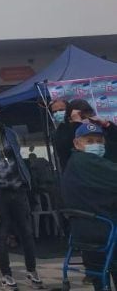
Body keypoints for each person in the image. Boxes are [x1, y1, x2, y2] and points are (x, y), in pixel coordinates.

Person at [0, 99, 44, 289]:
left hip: (17, 188)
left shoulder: (9, 133)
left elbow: (18, 157)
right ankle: (6, 275)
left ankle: (32, 271)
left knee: (26, 232)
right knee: (0, 234)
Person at [61, 123, 117, 291]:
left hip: (85, 229)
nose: (96, 145)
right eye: (90, 141)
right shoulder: (87, 161)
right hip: (105, 229)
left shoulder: (75, 163)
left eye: (99, 141)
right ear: (77, 143)